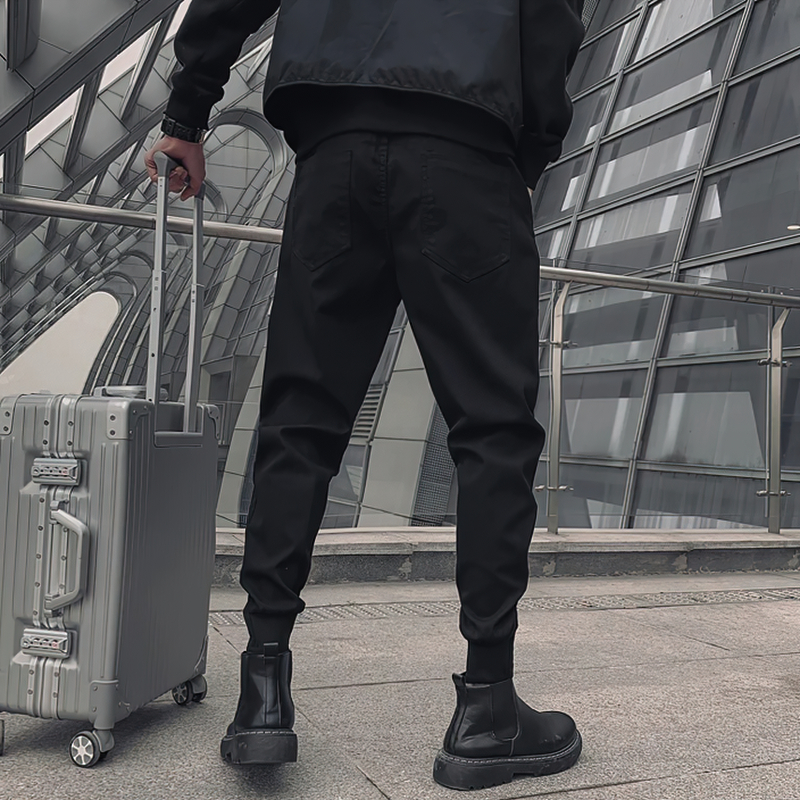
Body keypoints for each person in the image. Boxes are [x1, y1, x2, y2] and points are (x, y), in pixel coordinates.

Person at [145, 0, 585, 790]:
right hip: (467, 147)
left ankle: (262, 695)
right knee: (492, 432)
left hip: (335, 151)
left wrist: (188, 112)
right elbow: (551, 13)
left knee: (300, 425)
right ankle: (486, 706)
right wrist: (529, 147)